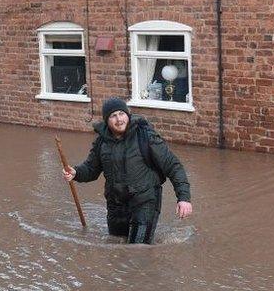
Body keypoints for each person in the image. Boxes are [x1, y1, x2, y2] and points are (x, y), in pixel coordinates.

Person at [62, 97, 193, 244]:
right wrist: (76, 173)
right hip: (116, 204)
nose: (119, 119)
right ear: (107, 120)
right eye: (113, 116)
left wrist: (183, 198)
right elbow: (91, 169)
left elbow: (173, 166)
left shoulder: (145, 136)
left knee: (137, 250)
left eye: (122, 114)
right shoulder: (101, 142)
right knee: (116, 245)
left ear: (127, 115)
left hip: (145, 200)